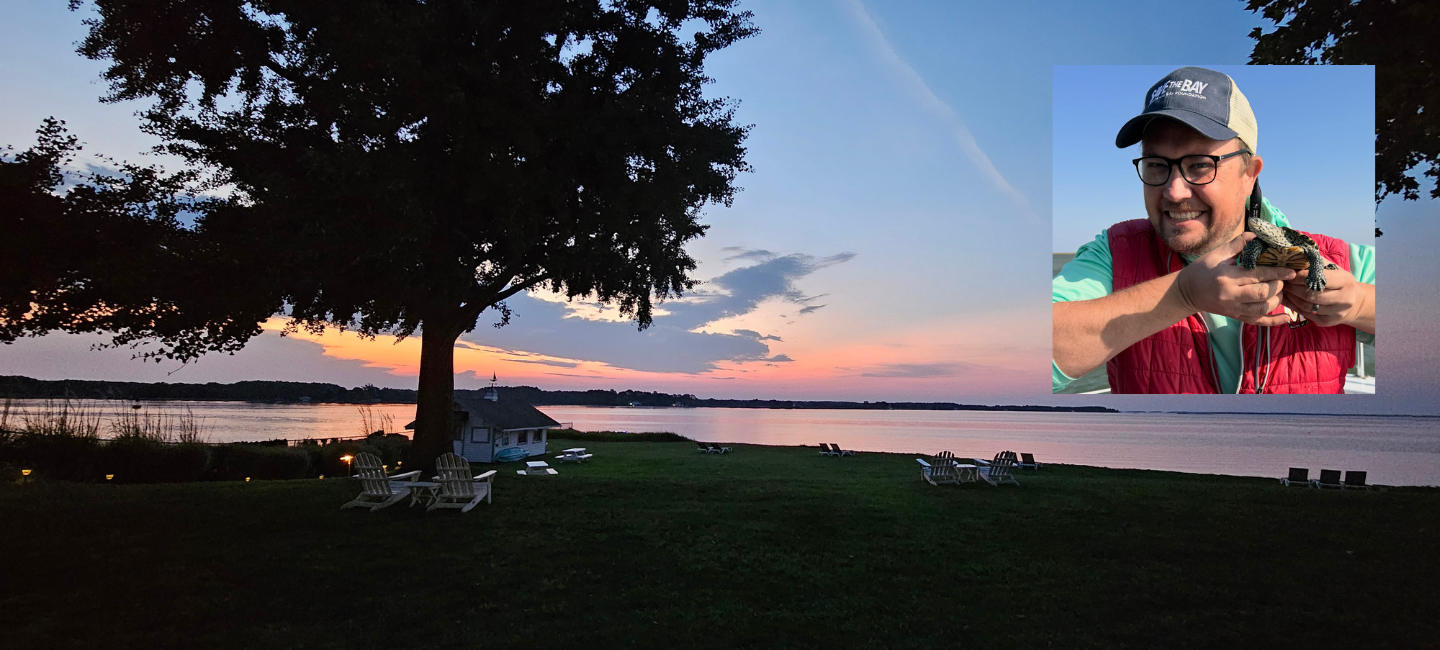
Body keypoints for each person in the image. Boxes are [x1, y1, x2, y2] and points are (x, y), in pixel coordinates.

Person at [1052, 67, 1376, 394]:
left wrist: (1360, 303)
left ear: (1249, 174)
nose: (1174, 191)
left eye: (1201, 165)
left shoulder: (1342, 259)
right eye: (1155, 165)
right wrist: (1182, 293)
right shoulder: (1114, 252)